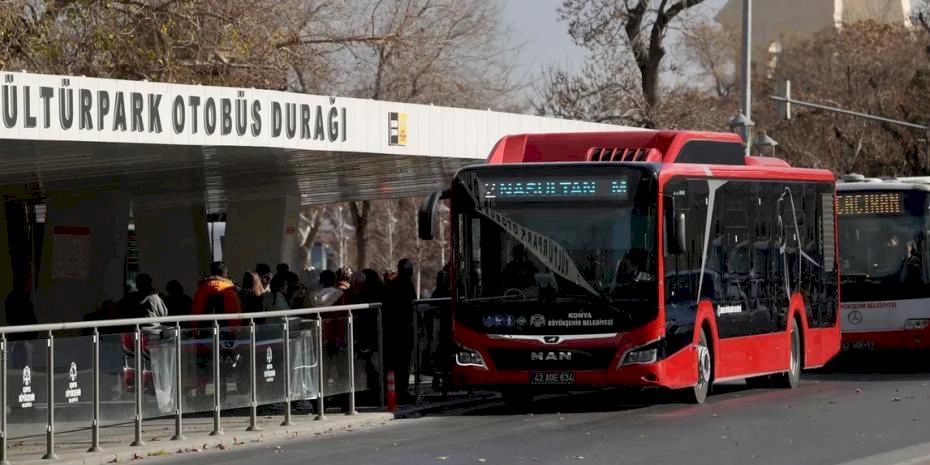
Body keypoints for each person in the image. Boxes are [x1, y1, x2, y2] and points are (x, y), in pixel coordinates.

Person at [384, 258, 417, 404]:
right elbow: (412, 306)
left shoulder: (391, 284)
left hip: (391, 330)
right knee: (403, 364)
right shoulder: (407, 285)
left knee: (394, 364)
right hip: (404, 329)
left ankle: (393, 391)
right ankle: (401, 392)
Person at [191, 261, 242, 328]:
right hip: (229, 332)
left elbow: (195, 311)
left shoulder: (202, 289)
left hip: (202, 332)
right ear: (225, 274)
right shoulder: (231, 288)